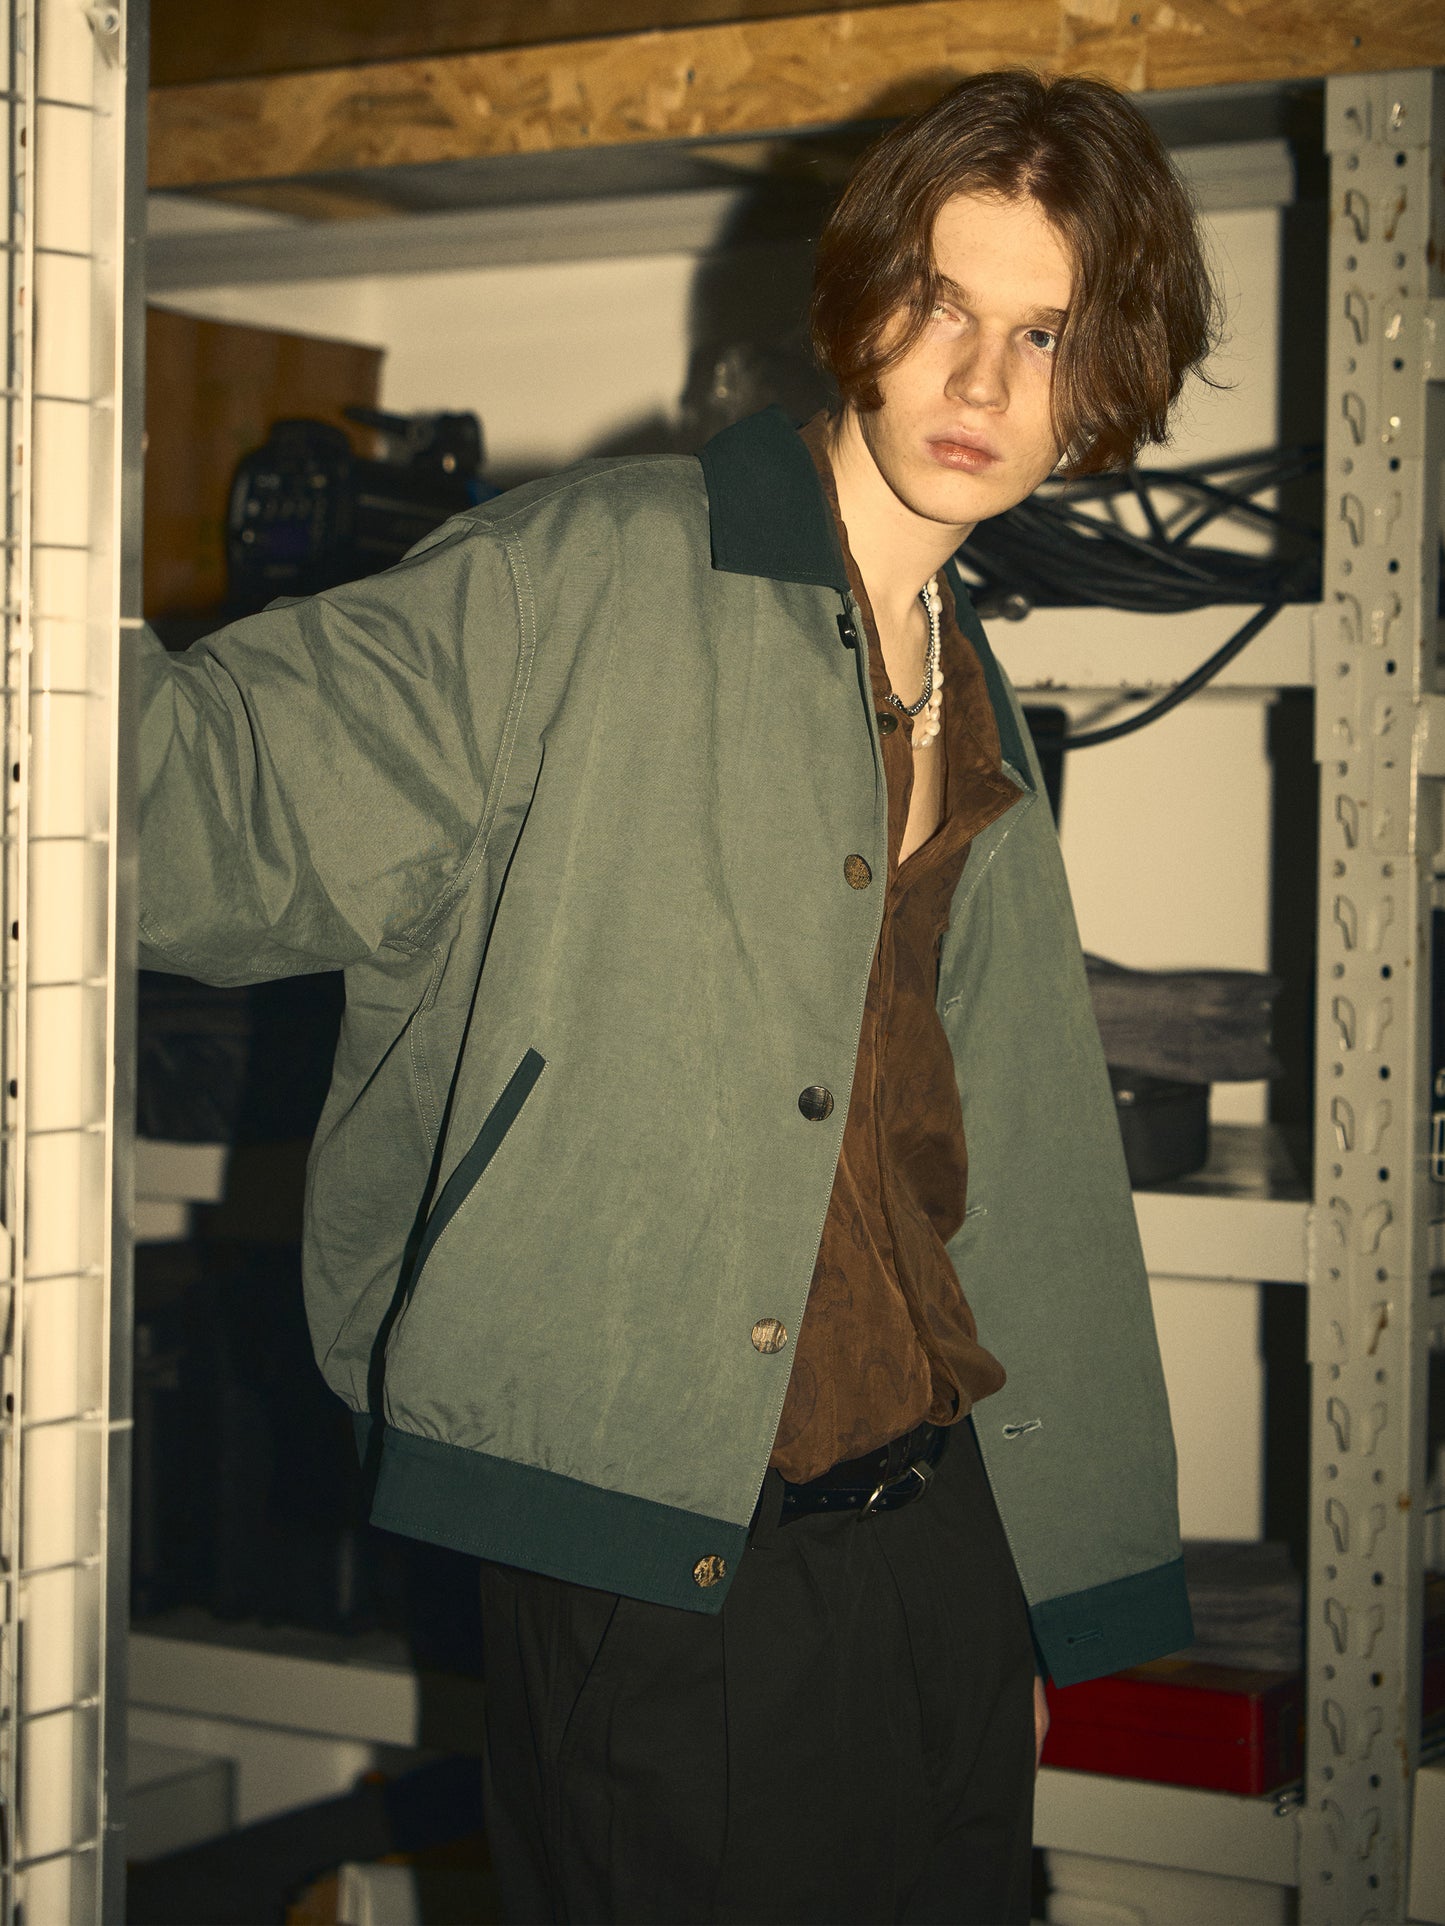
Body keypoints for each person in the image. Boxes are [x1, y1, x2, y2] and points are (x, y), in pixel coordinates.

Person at [137, 67, 1218, 1926]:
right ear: (859, 304)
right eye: (941, 305)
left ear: (1102, 375)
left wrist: (1056, 1568)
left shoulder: (968, 678)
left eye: (1042, 333)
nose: (980, 381)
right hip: (667, 1552)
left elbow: (986, 1156)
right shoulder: (594, 570)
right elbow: (194, 806)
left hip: (940, 1551)